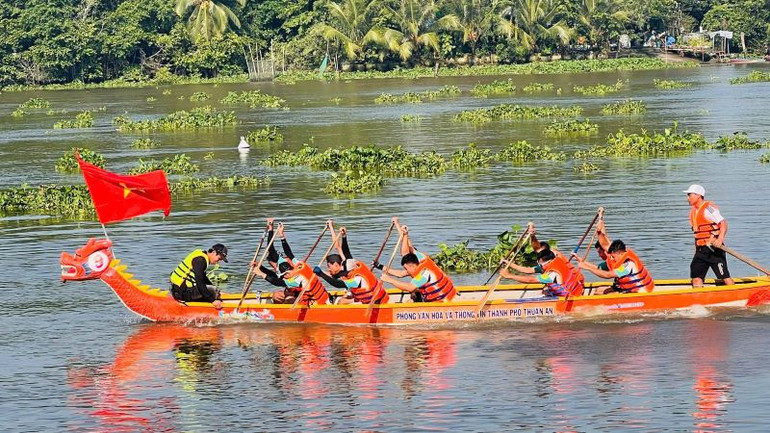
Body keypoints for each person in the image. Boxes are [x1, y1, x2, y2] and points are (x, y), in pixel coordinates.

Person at [251, 222, 330, 305]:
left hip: (316, 302)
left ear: (287, 273)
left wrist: (261, 274)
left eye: (284, 276)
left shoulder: (297, 278)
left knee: (287, 299)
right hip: (319, 296)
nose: (284, 278)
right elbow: (289, 254)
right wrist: (282, 236)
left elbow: (278, 282)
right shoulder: (300, 265)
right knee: (279, 295)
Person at [379, 218, 456, 302]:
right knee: (414, 294)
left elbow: (410, 287)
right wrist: (402, 230)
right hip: (444, 294)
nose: (406, 271)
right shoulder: (420, 259)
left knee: (413, 291)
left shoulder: (424, 273)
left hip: (442, 301)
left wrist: (389, 280)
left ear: (411, 265)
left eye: (406, 268)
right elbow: (406, 248)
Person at [574, 220, 654, 294]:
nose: (613, 259)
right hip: (628, 289)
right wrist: (600, 225)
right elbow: (605, 243)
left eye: (613, 256)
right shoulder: (622, 252)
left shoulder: (628, 266)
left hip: (641, 293)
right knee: (599, 290)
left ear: (618, 253)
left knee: (601, 293)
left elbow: (608, 275)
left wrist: (587, 267)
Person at [685, 184, 734, 287]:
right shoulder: (693, 212)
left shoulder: (709, 209)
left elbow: (723, 223)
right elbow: (697, 233)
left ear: (698, 195)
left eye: (689, 195)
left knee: (724, 276)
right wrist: (696, 248)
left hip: (713, 249)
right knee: (696, 277)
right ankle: (699, 299)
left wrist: (720, 239)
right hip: (701, 250)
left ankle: (739, 295)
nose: (687, 198)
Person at [500, 242, 585, 298]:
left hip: (573, 295)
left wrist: (509, 276)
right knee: (545, 290)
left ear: (541, 260)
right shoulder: (557, 259)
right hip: (577, 289)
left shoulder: (552, 273)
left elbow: (531, 279)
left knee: (545, 291)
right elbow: (527, 270)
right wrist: (508, 263)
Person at [170, 243, 228, 309]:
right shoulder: (200, 260)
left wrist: (218, 291)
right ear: (214, 253)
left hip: (180, 290)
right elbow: (200, 283)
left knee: (214, 290)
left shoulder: (202, 257)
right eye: (219, 259)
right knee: (212, 291)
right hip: (182, 292)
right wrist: (213, 301)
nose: (218, 262)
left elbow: (204, 278)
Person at [313, 224, 354, 290]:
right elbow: (329, 275)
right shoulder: (337, 272)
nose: (329, 269)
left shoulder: (348, 264)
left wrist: (321, 274)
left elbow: (337, 247)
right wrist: (317, 272)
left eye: (329, 266)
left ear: (336, 264)